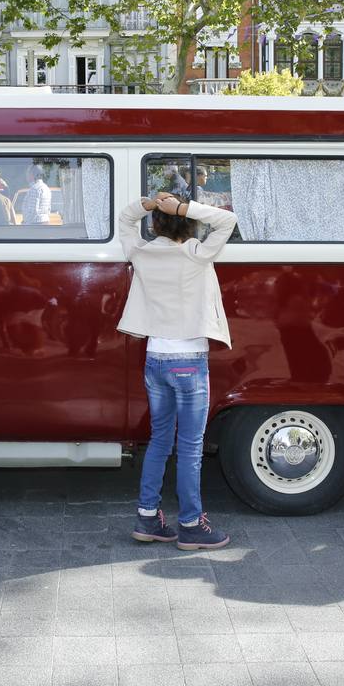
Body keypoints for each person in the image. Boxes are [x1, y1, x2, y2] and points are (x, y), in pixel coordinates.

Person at [117, 190, 237, 550]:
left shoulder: (142, 253)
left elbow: (124, 220)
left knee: (159, 441)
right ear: (189, 224)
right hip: (189, 360)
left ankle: (147, 518)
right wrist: (184, 207)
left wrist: (147, 204)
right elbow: (227, 221)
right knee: (189, 447)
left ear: (155, 224)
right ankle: (190, 524)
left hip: (155, 358)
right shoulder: (196, 253)